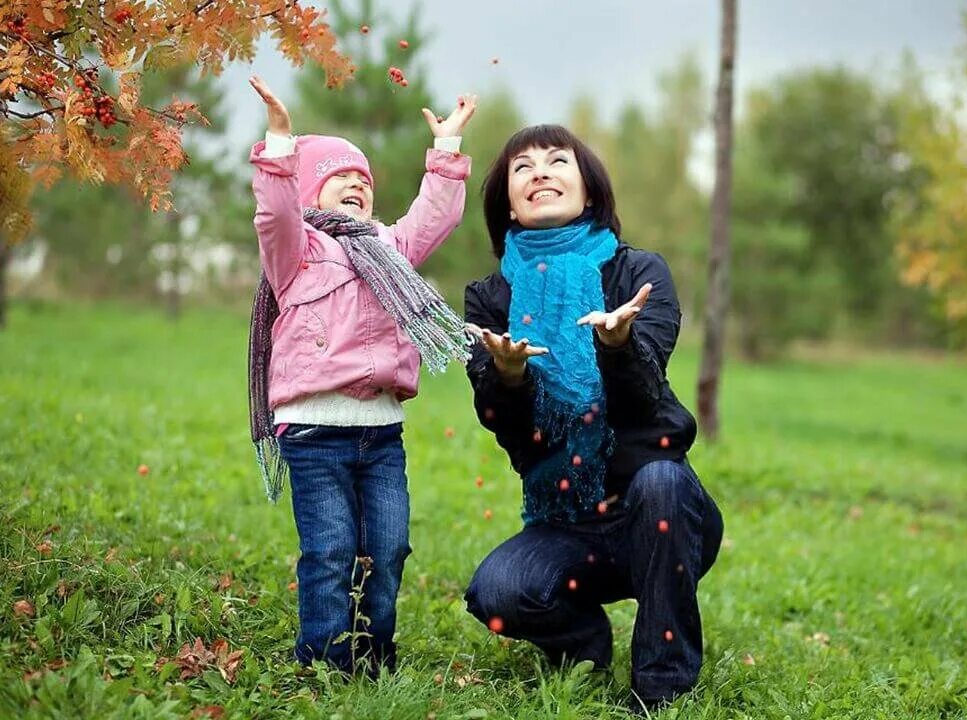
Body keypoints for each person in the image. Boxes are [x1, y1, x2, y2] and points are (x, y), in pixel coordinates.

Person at [462, 124, 723, 710]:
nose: (541, 173)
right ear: (508, 199)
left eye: (558, 161)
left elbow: (643, 401)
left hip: (658, 512)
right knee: (497, 595)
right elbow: (506, 428)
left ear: (589, 188)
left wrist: (618, 345)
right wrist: (506, 378)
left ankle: (662, 687)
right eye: (522, 168)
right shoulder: (489, 297)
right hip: (566, 523)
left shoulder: (638, 275)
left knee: (660, 481)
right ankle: (585, 644)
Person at [246, 75, 476, 676]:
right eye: (339, 175)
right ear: (307, 191)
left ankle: (374, 654)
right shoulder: (295, 252)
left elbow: (433, 218)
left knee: (387, 548)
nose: (356, 184)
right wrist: (278, 147)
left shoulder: (389, 248)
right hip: (314, 434)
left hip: (381, 434)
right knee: (330, 550)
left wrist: (446, 153)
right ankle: (326, 662)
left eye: (364, 180)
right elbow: (273, 215)